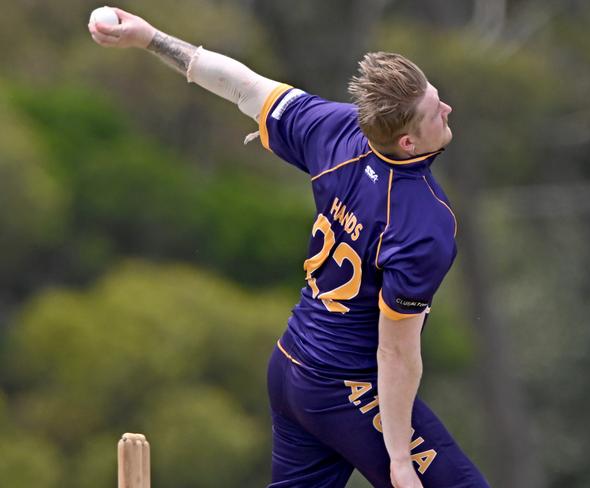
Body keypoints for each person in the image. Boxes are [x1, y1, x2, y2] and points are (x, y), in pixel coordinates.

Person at [89, 7, 490, 488]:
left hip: (290, 369)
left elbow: (241, 86)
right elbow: (396, 353)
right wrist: (399, 459)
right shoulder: (425, 222)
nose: (446, 110)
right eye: (434, 111)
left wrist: (149, 37)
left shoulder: (338, 129)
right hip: (344, 387)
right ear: (407, 141)